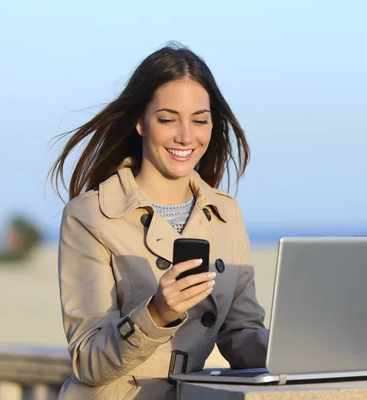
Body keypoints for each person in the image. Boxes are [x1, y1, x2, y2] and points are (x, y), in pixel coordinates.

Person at [49, 42, 268, 399]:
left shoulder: (226, 214)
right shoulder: (89, 215)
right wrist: (156, 312)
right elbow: (88, 361)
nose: (186, 136)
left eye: (200, 120)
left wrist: (302, 353)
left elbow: (241, 333)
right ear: (140, 121)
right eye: (167, 119)